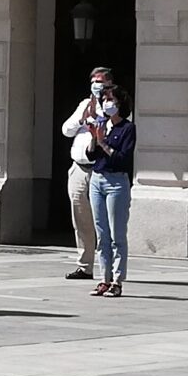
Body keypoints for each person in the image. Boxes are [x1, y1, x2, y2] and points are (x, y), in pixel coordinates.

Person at [59, 65, 114, 282]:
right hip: (79, 168)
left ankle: (107, 269)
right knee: (81, 219)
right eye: (94, 81)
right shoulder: (85, 104)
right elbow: (66, 130)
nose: (96, 85)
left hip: (101, 170)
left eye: (100, 81)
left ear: (109, 84)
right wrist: (83, 118)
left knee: (102, 221)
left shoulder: (114, 107)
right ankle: (85, 266)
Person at [88, 85, 135, 297]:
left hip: (116, 182)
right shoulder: (103, 125)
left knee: (117, 235)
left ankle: (117, 280)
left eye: (111, 100)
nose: (107, 104)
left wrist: (102, 143)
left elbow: (122, 159)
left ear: (120, 104)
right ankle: (103, 279)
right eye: (105, 100)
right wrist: (93, 138)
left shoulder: (127, 128)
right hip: (97, 179)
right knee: (101, 234)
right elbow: (91, 156)